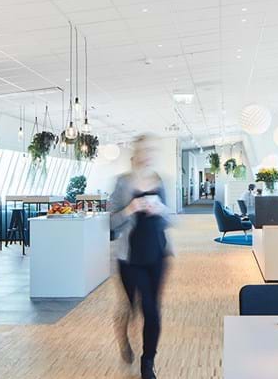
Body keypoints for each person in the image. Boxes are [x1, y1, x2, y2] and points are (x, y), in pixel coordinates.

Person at [110, 134, 171, 379]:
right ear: (135, 153)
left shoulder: (160, 181)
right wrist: (129, 209)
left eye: (152, 150)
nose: (148, 155)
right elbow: (110, 222)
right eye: (144, 150)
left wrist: (161, 209)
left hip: (157, 255)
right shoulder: (122, 182)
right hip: (130, 258)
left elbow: (171, 219)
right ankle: (123, 337)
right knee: (130, 307)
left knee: (151, 309)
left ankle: (148, 362)